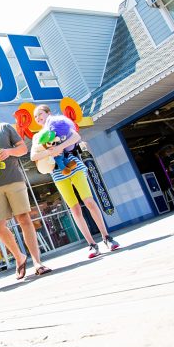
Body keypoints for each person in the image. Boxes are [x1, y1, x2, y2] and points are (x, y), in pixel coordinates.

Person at [0, 100, 52, 279]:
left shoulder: (4, 127)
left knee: (24, 219)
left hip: (14, 179)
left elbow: (23, 149)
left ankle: (37, 262)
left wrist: (8, 152)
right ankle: (19, 257)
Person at [31, 105, 120, 259]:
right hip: (57, 172)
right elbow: (33, 156)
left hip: (73, 164)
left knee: (89, 201)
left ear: (48, 113)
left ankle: (107, 237)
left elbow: (76, 137)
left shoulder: (58, 125)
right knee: (75, 208)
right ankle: (91, 244)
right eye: (35, 117)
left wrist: (60, 147)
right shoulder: (37, 136)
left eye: (40, 114)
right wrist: (49, 152)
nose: (38, 118)